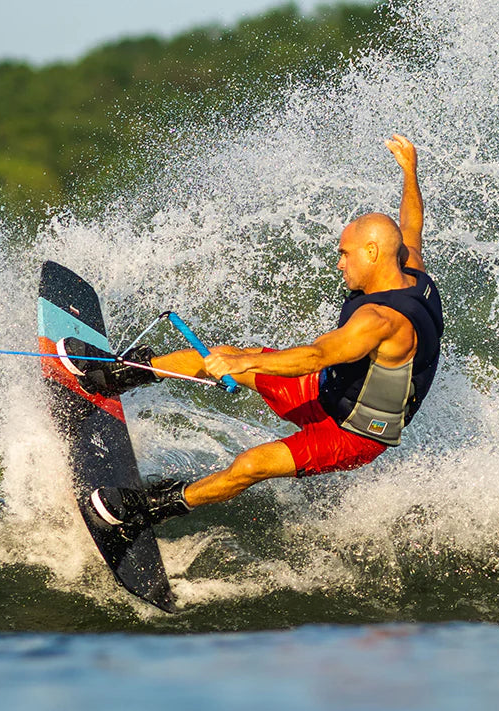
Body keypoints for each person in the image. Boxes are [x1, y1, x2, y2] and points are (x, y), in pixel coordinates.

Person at [75, 134, 444, 537]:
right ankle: (118, 377)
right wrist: (409, 171)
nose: (339, 263)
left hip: (352, 433)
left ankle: (150, 507)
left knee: (252, 464)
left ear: (372, 253)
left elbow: (317, 356)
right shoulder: (410, 268)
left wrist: (244, 363)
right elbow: (411, 224)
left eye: (344, 253)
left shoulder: (380, 321)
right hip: (324, 390)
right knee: (212, 355)